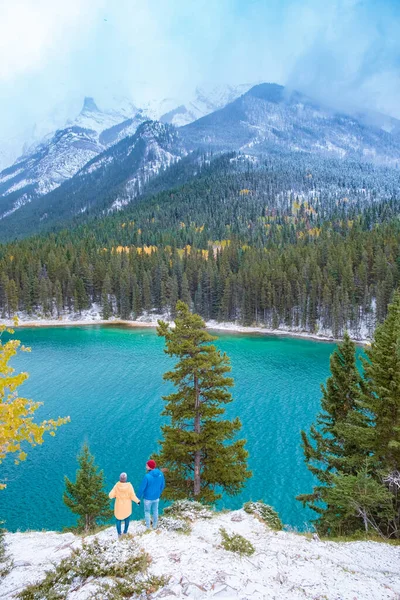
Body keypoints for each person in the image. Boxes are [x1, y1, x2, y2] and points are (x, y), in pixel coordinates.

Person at [109, 472, 140, 537]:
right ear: (126, 479)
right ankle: (125, 532)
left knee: (118, 520)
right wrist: (138, 501)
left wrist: (115, 495)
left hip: (119, 506)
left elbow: (110, 495)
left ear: (119, 478)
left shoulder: (116, 486)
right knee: (127, 519)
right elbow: (132, 496)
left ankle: (119, 534)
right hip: (127, 506)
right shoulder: (129, 486)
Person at [137, 459, 165, 529]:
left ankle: (148, 527)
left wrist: (137, 498)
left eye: (147, 465)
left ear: (150, 467)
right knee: (155, 511)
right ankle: (155, 526)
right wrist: (159, 493)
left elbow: (141, 489)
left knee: (147, 512)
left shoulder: (147, 476)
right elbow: (162, 485)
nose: (146, 466)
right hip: (156, 497)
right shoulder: (160, 474)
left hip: (147, 498)